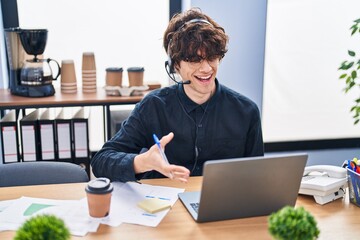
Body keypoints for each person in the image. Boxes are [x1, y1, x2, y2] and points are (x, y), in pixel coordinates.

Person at [91, 8, 264, 183]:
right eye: (195, 60)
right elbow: (101, 161)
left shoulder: (246, 111)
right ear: (175, 65)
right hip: (166, 205)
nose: (206, 68)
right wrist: (141, 162)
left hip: (223, 205)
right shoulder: (153, 106)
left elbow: (258, 175)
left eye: (212, 57)